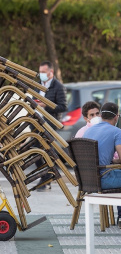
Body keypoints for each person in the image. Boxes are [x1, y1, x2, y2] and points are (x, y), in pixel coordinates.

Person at [33, 61, 67, 191]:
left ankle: (46, 179)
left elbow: (63, 106)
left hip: (50, 124)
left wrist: (46, 105)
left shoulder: (58, 87)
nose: (40, 74)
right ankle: (45, 178)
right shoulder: (38, 85)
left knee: (46, 151)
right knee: (35, 151)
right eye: (40, 72)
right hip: (36, 122)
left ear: (50, 72)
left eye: (43, 72)